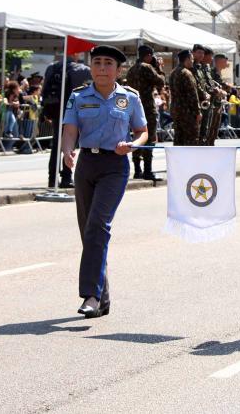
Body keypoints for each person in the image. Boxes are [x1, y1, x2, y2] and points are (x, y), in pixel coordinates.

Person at [61, 45, 149, 318]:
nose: (101, 68)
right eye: (97, 62)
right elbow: (70, 129)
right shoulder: (78, 96)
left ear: (118, 70)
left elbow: (142, 131)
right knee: (89, 231)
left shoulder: (129, 97)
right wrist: (67, 150)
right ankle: (102, 300)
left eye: (108, 63)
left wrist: (132, 145)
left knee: (98, 224)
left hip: (115, 166)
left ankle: (91, 295)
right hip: (86, 164)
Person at [43, 53, 92, 188]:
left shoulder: (52, 68)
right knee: (69, 144)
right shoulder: (82, 69)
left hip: (55, 109)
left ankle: (52, 179)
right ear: (75, 54)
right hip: (72, 111)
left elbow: (44, 89)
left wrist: (45, 110)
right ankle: (66, 177)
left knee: (56, 145)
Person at [125, 45, 167, 180]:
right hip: (147, 108)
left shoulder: (131, 70)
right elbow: (161, 82)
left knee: (137, 137)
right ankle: (148, 170)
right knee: (149, 138)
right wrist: (159, 68)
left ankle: (137, 170)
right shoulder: (147, 67)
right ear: (148, 55)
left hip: (134, 108)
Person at [169, 49, 202, 145]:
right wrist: (197, 112)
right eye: (191, 59)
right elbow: (193, 94)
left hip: (176, 111)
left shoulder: (173, 73)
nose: (193, 61)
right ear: (187, 59)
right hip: (188, 112)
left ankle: (177, 155)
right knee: (191, 139)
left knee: (178, 138)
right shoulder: (186, 73)